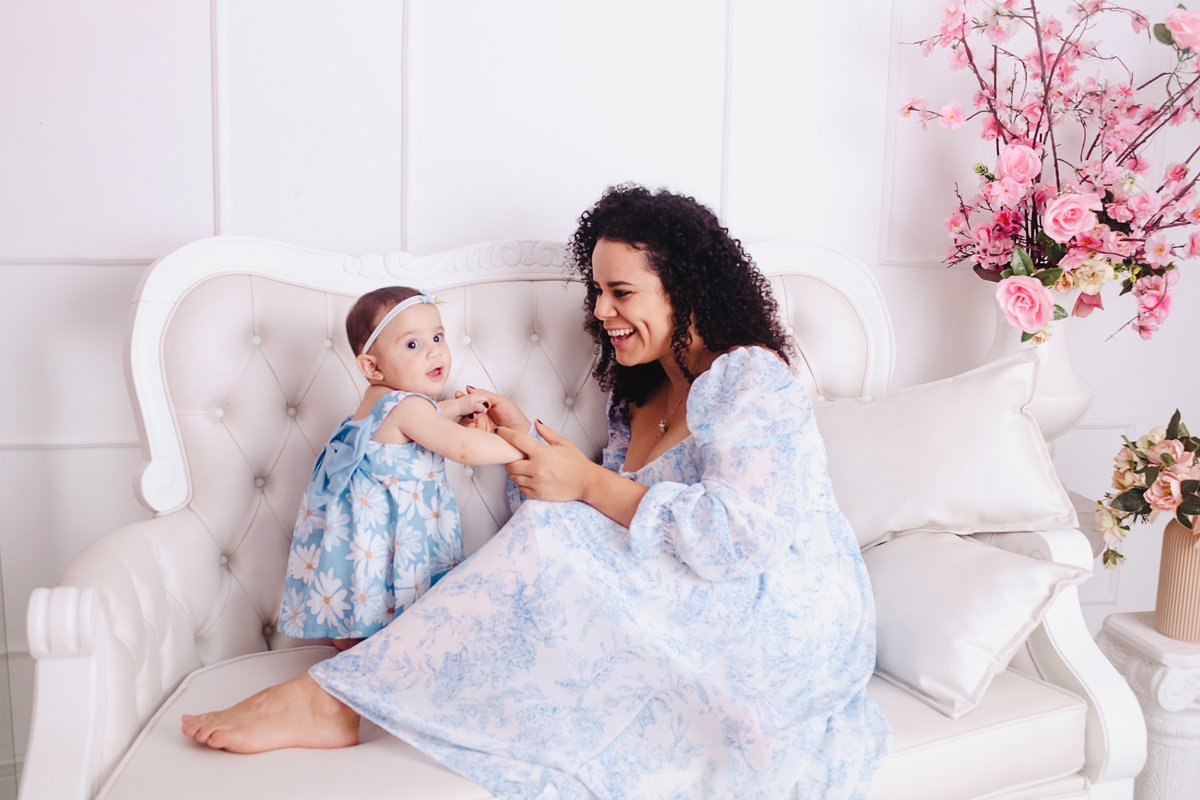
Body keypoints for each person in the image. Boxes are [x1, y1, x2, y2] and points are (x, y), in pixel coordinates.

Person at [182, 185, 890, 799]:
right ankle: (351, 697)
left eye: (621, 292)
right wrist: (527, 443)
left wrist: (586, 481)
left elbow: (739, 538)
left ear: (688, 290)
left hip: (779, 614)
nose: (602, 310)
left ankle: (334, 702)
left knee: (558, 534)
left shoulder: (748, 377)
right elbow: (601, 531)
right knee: (553, 535)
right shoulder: (638, 396)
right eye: (597, 291)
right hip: (690, 599)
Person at [279, 286, 523, 649]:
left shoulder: (379, 401)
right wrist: (520, 445)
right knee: (412, 620)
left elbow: (422, 417)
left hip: (368, 540)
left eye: (438, 337)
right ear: (372, 366)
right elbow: (462, 446)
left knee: (368, 607)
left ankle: (350, 646)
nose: (434, 351)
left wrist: (457, 408)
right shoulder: (407, 407)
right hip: (406, 532)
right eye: (412, 344)